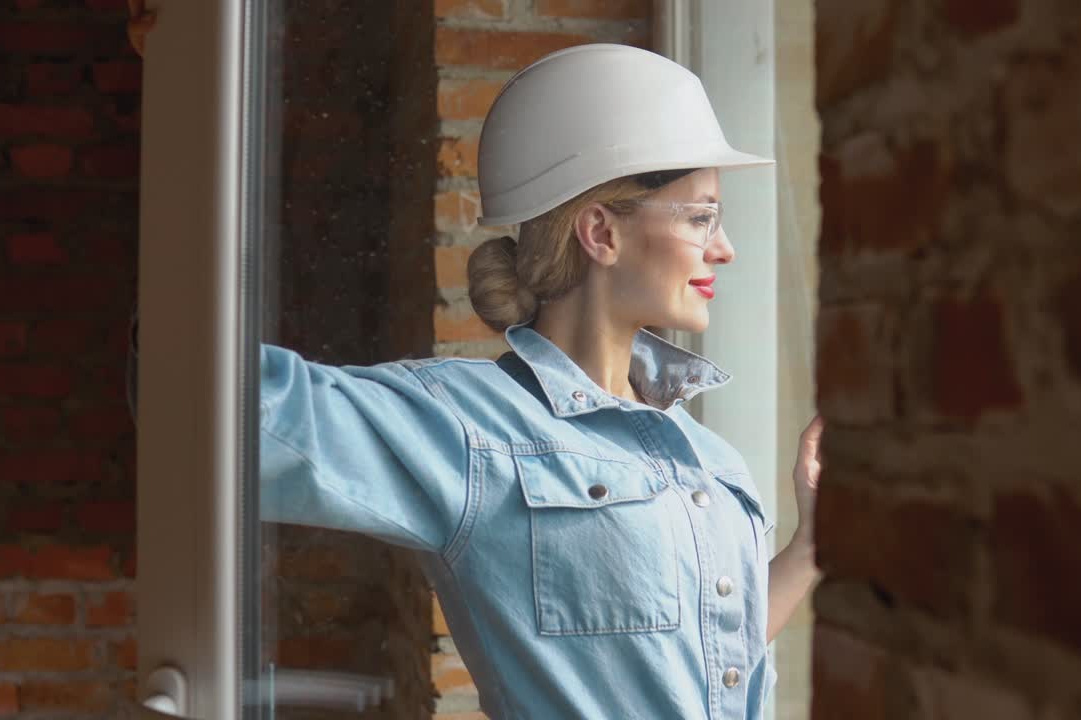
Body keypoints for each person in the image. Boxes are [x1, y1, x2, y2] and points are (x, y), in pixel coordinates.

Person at [261, 43, 822, 720]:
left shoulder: (709, 458)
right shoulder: (471, 429)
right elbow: (241, 419)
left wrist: (813, 546)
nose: (724, 248)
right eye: (701, 217)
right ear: (600, 233)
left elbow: (699, 659)